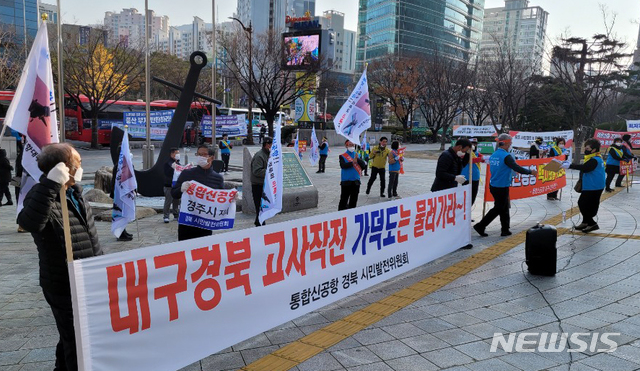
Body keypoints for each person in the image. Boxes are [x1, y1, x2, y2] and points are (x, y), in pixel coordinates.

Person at [18, 143, 103, 371]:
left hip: (86, 279)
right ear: (64, 167)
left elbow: (90, 237)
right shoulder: (41, 193)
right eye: (78, 162)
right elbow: (29, 223)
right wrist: (50, 185)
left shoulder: (74, 192)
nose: (81, 166)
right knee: (77, 340)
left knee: (72, 335)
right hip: (63, 283)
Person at [474, 134, 538, 237]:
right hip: (501, 186)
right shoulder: (506, 156)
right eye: (510, 143)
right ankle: (480, 225)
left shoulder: (494, 154)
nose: (511, 145)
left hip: (495, 184)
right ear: (505, 143)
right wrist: (531, 172)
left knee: (504, 208)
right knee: (499, 208)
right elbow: (516, 167)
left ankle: (505, 229)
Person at [172, 144, 224, 240]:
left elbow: (221, 200)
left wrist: (231, 199)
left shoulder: (218, 178)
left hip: (205, 222)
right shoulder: (187, 173)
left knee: (203, 251)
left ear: (211, 157)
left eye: (204, 154)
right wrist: (181, 189)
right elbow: (174, 194)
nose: (200, 157)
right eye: (198, 154)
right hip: (187, 221)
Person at [560, 138, 605, 233]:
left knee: (583, 203)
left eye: (587, 148)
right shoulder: (596, 158)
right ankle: (585, 222)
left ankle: (592, 223)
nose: (585, 150)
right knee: (588, 204)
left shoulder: (594, 160)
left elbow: (585, 168)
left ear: (593, 149)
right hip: (594, 185)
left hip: (593, 186)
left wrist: (570, 166)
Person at [110, 146, 133, 241]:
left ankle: (123, 231)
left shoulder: (125, 164)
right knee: (120, 213)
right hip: (119, 193)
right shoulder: (119, 166)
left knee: (124, 213)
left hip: (123, 192)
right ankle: (120, 234)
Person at [338, 140, 367, 210]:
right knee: (343, 200)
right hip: (346, 181)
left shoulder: (357, 155)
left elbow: (363, 166)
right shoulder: (342, 156)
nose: (352, 146)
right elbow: (343, 166)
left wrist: (358, 159)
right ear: (346, 146)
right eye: (350, 145)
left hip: (356, 181)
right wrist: (352, 162)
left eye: (353, 145)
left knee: (354, 200)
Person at [250, 136, 272, 226]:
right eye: (271, 145)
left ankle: (259, 222)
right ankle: (260, 223)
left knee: (264, 206)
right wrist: (270, 171)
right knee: (259, 205)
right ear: (267, 145)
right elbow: (257, 171)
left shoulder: (268, 154)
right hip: (258, 185)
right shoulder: (260, 155)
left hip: (265, 184)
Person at [461, 138, 484, 205]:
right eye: (472, 143)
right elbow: (471, 160)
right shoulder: (463, 153)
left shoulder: (476, 153)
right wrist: (480, 159)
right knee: (466, 198)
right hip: (466, 178)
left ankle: (468, 211)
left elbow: (482, 158)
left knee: (473, 197)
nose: (474, 145)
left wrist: (484, 158)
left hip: (475, 177)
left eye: (475, 143)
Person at [163, 147, 181, 223]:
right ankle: (166, 216)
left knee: (176, 201)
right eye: (176, 153)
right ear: (172, 154)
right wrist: (172, 168)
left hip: (176, 186)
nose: (178, 155)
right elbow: (167, 173)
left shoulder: (178, 163)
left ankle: (176, 215)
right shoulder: (167, 163)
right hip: (169, 185)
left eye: (178, 153)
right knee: (168, 201)